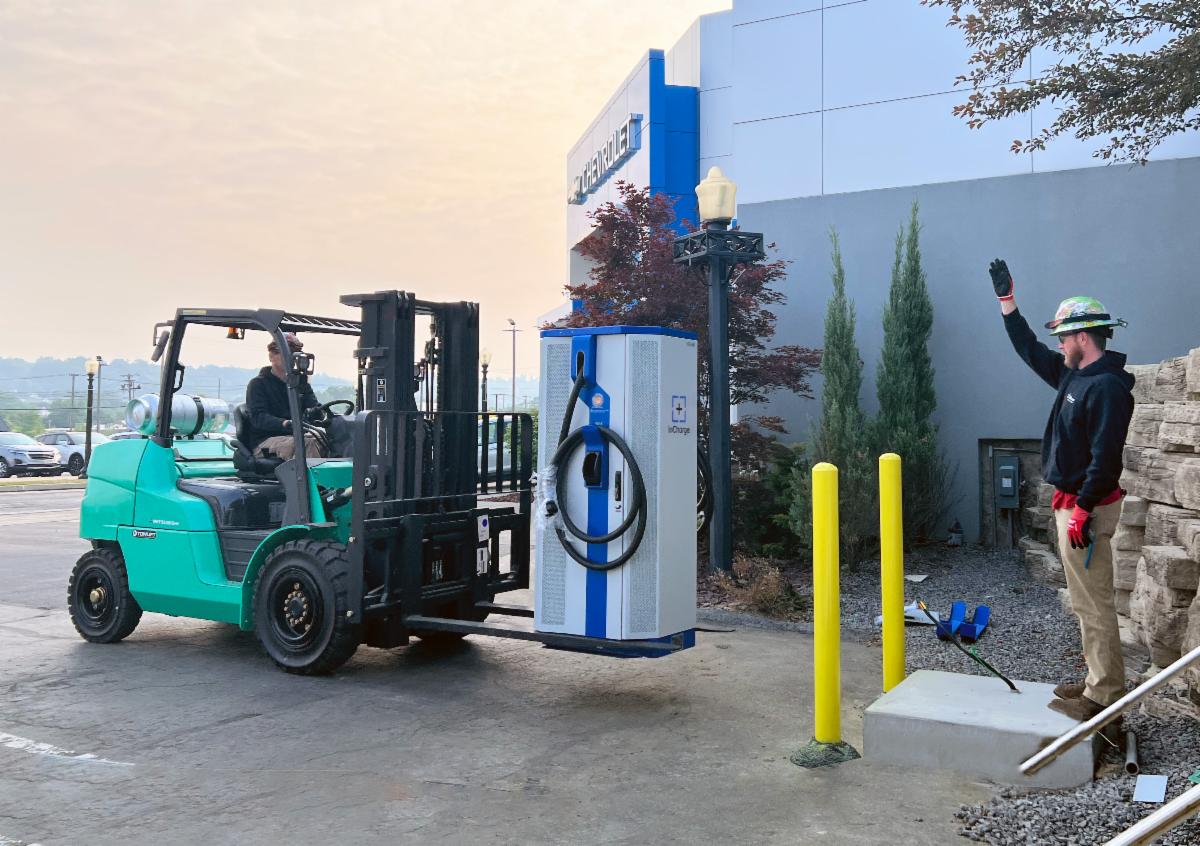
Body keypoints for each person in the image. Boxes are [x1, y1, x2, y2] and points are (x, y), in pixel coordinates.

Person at [990, 258, 1134, 722]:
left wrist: (1083, 509)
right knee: (1083, 600)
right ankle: (1097, 679)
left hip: (1085, 510)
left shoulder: (1108, 387)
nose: (1057, 343)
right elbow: (1030, 350)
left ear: (1083, 338)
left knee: (1094, 603)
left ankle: (1105, 695)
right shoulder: (1076, 375)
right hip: (1072, 506)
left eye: (1063, 336)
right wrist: (1007, 303)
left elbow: (1106, 458)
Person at [245, 332, 324, 460]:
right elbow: (258, 418)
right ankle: (314, 480)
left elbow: (315, 408)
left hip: (297, 435)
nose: (291, 357)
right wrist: (285, 423)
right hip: (266, 440)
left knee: (331, 439)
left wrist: (325, 415)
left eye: (294, 352)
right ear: (271, 356)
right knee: (307, 443)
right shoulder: (258, 384)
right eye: (285, 352)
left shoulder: (300, 383)